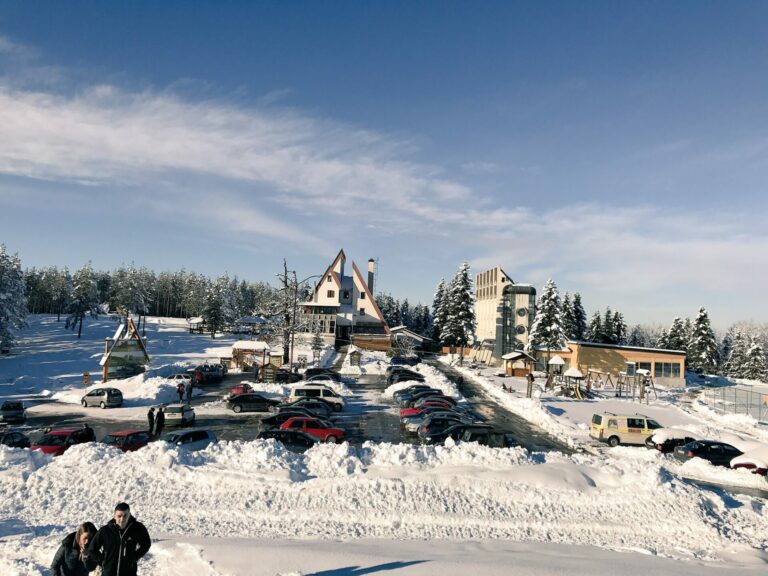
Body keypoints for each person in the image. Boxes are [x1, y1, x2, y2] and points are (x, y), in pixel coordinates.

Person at [87, 502, 151, 576]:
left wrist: (134, 557)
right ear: (114, 516)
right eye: (119, 516)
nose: (122, 519)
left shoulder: (137, 528)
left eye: (125, 515)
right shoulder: (105, 531)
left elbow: (146, 544)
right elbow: (92, 549)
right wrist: (103, 561)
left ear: (129, 515)